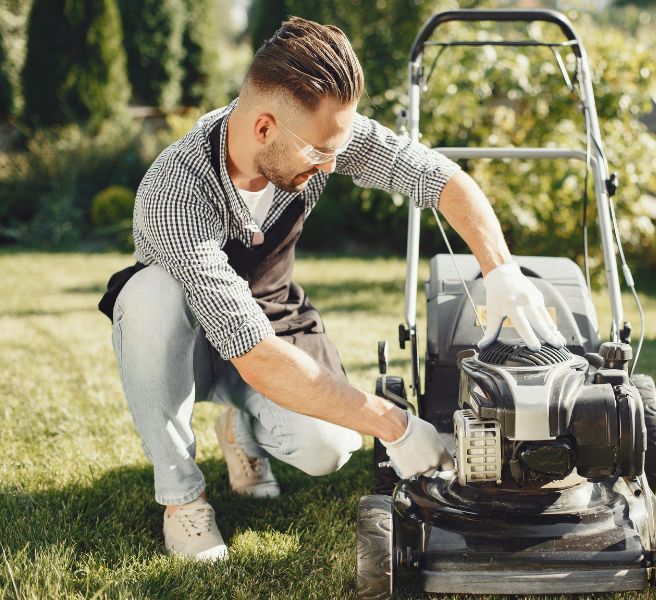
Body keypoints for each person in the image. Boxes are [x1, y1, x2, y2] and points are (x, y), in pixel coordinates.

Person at [98, 16, 566, 561]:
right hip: (191, 343)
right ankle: (184, 499)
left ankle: (241, 426)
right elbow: (254, 355)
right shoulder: (174, 192)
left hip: (273, 316)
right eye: (319, 152)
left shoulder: (320, 134)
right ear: (265, 128)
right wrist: (395, 426)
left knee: (328, 448)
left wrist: (500, 270)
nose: (331, 162)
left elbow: (441, 178)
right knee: (150, 295)